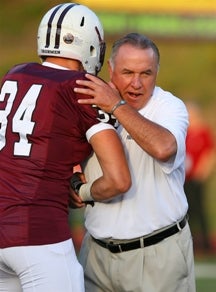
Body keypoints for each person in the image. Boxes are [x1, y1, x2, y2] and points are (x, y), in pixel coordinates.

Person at [0, 3, 131, 292]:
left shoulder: (14, 75)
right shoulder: (82, 87)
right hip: (39, 234)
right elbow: (119, 179)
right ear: (91, 47)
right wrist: (84, 192)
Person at [70, 33, 196, 292]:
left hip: (157, 255)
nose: (136, 83)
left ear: (157, 73)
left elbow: (163, 148)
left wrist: (115, 105)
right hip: (95, 253)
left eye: (146, 73)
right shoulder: (89, 102)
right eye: (127, 72)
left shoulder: (169, 106)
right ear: (111, 70)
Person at [184, 101, 216, 252]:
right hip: (185, 178)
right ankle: (190, 240)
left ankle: (205, 243)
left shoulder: (203, 132)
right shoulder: (186, 132)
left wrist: (202, 173)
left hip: (197, 178)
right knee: (186, 209)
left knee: (199, 209)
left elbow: (210, 153)